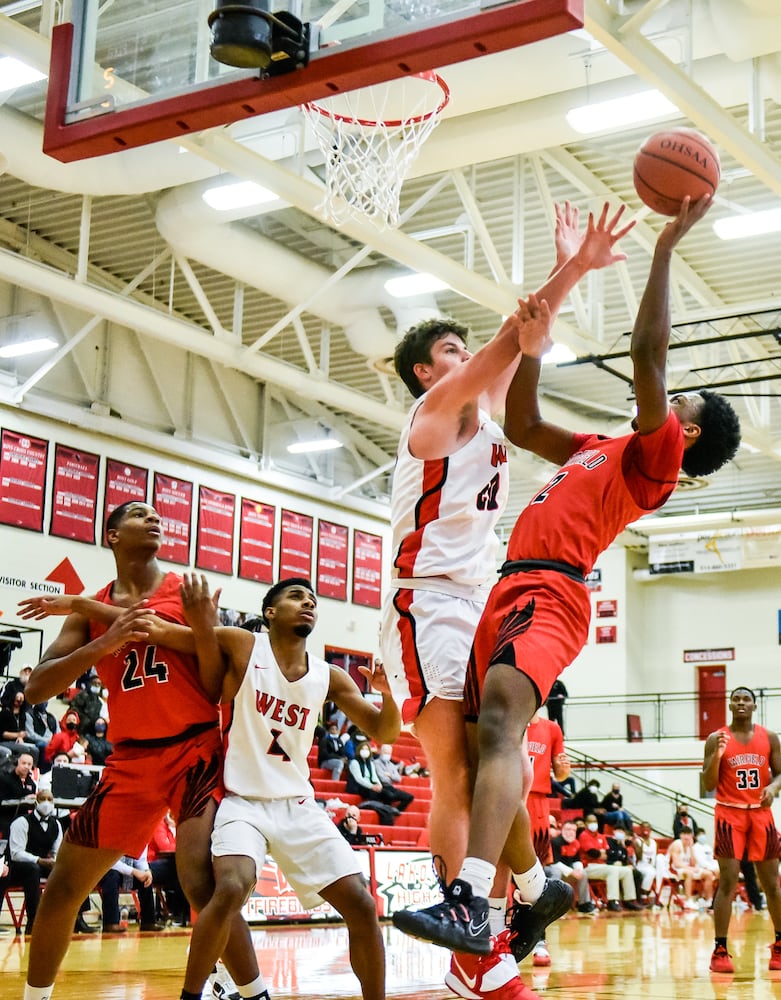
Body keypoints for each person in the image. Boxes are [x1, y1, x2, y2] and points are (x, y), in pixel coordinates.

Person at [392, 196, 741, 960]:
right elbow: (519, 425)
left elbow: (648, 355)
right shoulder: (596, 445)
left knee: (499, 729)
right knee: (489, 744)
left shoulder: (654, 460)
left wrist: (663, 248)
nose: (664, 391)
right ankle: (533, 887)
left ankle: (473, 904)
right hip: (506, 591)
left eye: (678, 399)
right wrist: (533, 346)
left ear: (685, 432)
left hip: (552, 593)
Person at [384, 202, 634, 1000]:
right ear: (428, 372)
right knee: (456, 775)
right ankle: (481, 954)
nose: (467, 355)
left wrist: (573, 273)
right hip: (422, 605)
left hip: (477, 600)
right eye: (448, 350)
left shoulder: (486, 427)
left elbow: (513, 346)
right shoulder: (431, 417)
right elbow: (505, 347)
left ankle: (527, 894)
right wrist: (556, 289)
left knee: (497, 752)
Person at [16, 500, 262, 1000]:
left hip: (194, 749)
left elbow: (215, 687)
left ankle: (256, 993)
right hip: (130, 761)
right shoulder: (91, 611)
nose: (154, 520)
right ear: (112, 536)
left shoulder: (185, 592)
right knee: (64, 885)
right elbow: (37, 687)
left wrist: (198, 624)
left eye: (157, 516)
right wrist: (99, 647)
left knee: (199, 881)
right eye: (139, 515)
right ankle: (33, 997)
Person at [177, 574, 402, 1000]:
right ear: (270, 612)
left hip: (298, 805)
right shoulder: (245, 644)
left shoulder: (328, 675)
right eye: (296, 597)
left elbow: (384, 731)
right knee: (228, 888)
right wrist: (199, 622)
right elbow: (172, 635)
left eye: (313, 599)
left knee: (362, 903)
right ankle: (191, 995)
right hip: (243, 801)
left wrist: (388, 695)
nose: (308, 603)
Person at [702, 685, 781, 973]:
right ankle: (720, 950)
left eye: (746, 699)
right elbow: (708, 784)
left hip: (761, 814)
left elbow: (779, 772)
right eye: (735, 699)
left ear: (754, 705)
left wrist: (773, 786)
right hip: (729, 814)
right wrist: (717, 757)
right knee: (728, 881)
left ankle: (780, 945)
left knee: (772, 884)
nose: (741, 703)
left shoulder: (769, 737)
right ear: (730, 705)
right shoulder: (716, 738)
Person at [0, 789, 61, 934]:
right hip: (13, 867)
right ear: (36, 802)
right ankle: (33, 923)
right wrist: (39, 860)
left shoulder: (56, 824)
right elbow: (16, 853)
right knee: (33, 870)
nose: (46, 803)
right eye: (43, 799)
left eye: (50, 799)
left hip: (39, 864)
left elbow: (56, 853)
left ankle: (75, 919)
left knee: (68, 871)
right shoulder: (22, 822)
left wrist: (56, 863)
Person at [577, 814, 642, 912]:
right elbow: (593, 853)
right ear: (586, 824)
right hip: (588, 867)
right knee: (613, 869)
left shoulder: (601, 836)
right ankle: (612, 901)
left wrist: (600, 853)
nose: (593, 824)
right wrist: (600, 853)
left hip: (602, 866)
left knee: (627, 871)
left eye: (595, 822)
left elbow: (607, 854)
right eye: (591, 822)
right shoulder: (584, 835)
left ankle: (629, 900)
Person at [549, 820, 594, 915]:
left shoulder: (576, 843)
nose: (571, 832)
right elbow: (555, 862)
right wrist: (572, 872)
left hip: (567, 870)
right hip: (553, 869)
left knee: (583, 874)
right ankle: (553, 906)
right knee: (556, 871)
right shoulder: (555, 842)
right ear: (562, 830)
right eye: (568, 829)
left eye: (573, 830)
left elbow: (577, 860)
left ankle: (584, 904)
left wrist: (579, 870)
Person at [0, 750, 36, 836]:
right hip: (6, 816)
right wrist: (23, 799)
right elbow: (2, 801)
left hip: (23, 817)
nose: (26, 766)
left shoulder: (31, 783)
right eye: (24, 763)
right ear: (17, 763)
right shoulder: (5, 780)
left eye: (29, 764)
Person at [372, 744, 415, 813]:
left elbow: (399, 779)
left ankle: (397, 810)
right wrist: (392, 777)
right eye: (385, 753)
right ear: (381, 752)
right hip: (381, 787)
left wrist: (390, 775)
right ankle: (388, 810)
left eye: (389, 753)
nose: (387, 755)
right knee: (390, 796)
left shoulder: (391, 765)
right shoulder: (376, 763)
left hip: (391, 787)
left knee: (410, 797)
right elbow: (383, 779)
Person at [633, 822, 665, 905]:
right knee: (651, 873)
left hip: (650, 866)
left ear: (650, 830)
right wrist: (642, 845)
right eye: (643, 827)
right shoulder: (637, 841)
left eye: (648, 828)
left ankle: (657, 895)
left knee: (657, 872)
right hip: (640, 866)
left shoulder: (654, 842)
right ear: (640, 829)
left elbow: (655, 857)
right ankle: (643, 895)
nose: (645, 829)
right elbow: (639, 857)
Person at [24, 701, 59, 773]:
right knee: (45, 746)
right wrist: (46, 740)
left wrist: (55, 740)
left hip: (53, 741)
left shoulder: (52, 716)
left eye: (46, 700)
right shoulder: (29, 714)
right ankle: (44, 771)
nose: (44, 702)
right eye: (41, 700)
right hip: (37, 741)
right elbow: (30, 734)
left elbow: (58, 732)